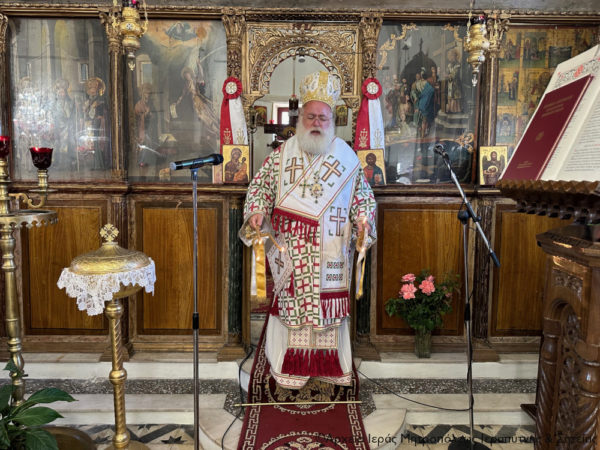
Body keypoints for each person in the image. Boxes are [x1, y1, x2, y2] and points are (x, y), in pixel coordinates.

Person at [240, 71, 376, 389]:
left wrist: (363, 220)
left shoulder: (346, 158)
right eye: (311, 116)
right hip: (292, 248)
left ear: (332, 121)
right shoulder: (281, 155)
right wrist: (257, 211)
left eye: (322, 118)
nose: (316, 123)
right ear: (301, 118)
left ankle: (330, 366)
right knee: (292, 307)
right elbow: (260, 188)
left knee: (328, 310)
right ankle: (290, 366)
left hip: (332, 248)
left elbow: (363, 198)